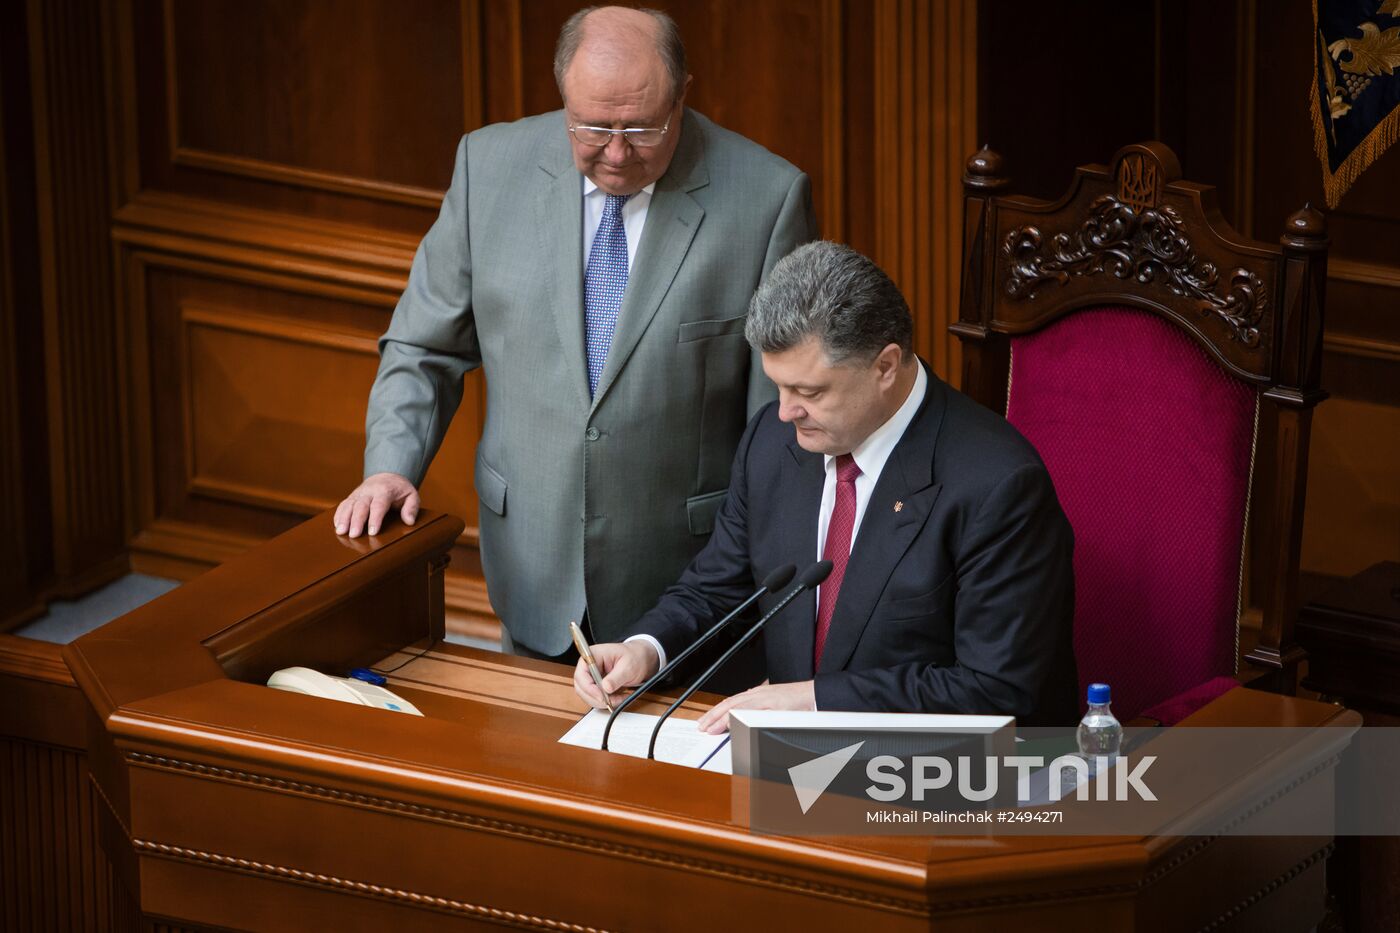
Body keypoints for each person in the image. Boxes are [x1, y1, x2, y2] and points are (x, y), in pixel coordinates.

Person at [333, 6, 817, 657]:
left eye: (642, 128)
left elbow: (781, 420)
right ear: (562, 96)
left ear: (683, 96)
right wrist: (392, 464)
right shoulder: (489, 167)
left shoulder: (767, 198)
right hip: (532, 568)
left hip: (689, 594)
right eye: (592, 127)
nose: (616, 153)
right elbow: (424, 346)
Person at [574, 241, 1079, 729]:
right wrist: (646, 648)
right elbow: (717, 588)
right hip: (789, 767)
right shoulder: (773, 442)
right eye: (778, 385)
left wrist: (814, 701)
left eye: (809, 391)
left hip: (942, 784)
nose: (785, 410)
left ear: (885, 366)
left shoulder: (999, 486)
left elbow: (994, 688)